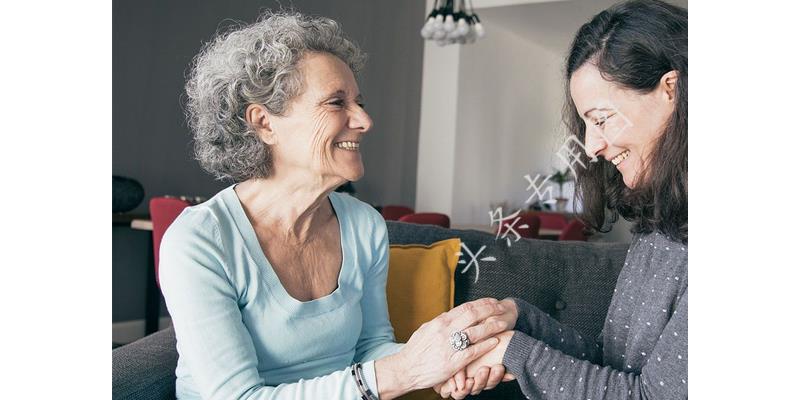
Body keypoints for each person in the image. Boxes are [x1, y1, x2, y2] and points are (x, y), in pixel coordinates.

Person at [160, 11, 513, 400]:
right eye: (336, 102)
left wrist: (448, 367)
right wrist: (403, 370)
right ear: (264, 122)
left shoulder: (363, 225)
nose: (364, 119)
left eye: (358, 102)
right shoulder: (200, 242)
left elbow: (372, 348)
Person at [435, 0, 688, 398]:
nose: (589, 146)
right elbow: (612, 366)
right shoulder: (659, 228)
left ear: (669, 91)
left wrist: (515, 351)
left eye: (601, 118)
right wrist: (521, 323)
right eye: (586, 124)